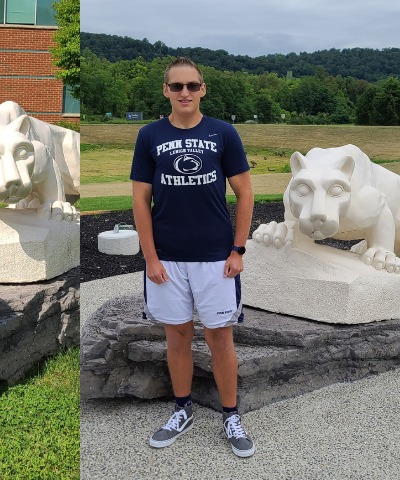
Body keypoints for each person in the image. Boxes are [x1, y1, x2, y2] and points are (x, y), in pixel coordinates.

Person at [130, 57, 255, 457]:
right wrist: (149, 258)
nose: (185, 92)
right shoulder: (149, 136)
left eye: (192, 85)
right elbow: (140, 200)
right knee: (177, 337)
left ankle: (231, 415)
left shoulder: (223, 133)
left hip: (215, 258)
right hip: (167, 258)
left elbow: (245, 193)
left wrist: (238, 248)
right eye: (177, 86)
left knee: (220, 338)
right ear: (166, 91)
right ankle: (182, 410)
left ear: (203, 90)